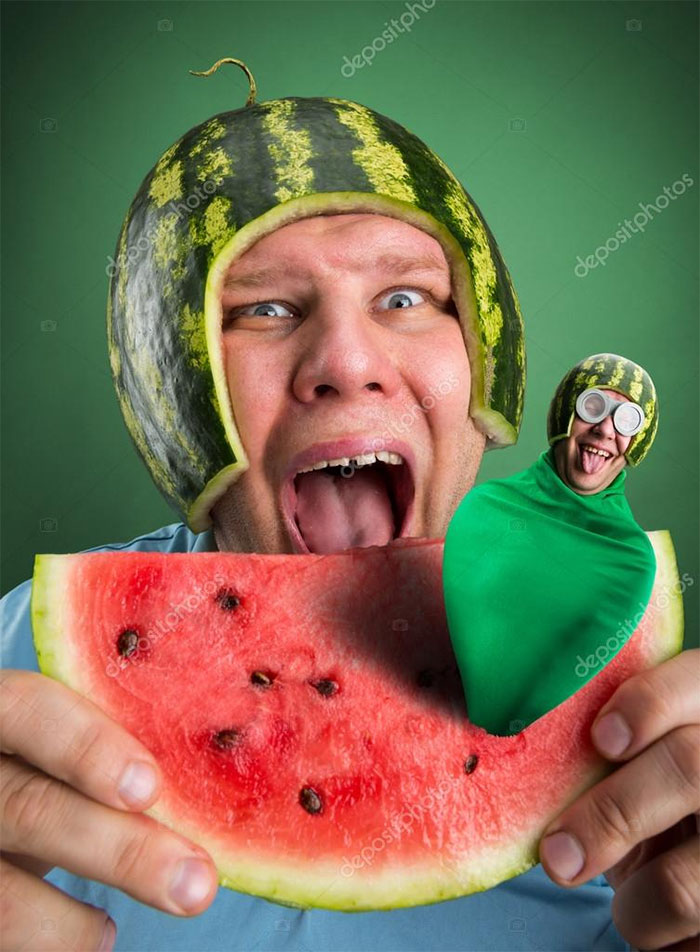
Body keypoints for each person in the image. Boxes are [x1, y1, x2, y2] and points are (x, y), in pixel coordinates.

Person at [2, 91, 699, 952]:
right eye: (264, 308)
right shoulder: (19, 669)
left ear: (488, 366)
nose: (348, 362)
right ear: (173, 393)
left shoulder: (638, 727)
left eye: (406, 297)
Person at [442, 355, 661, 737]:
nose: (606, 429)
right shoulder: (484, 507)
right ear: (563, 416)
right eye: (592, 407)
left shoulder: (633, 562)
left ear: (637, 443)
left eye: (627, 420)